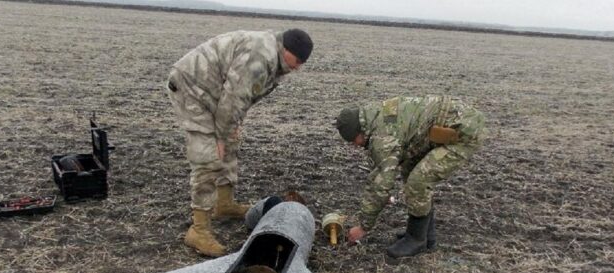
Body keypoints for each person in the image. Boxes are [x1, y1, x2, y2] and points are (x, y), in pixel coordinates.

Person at [166, 29, 313, 257]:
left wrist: (231, 129)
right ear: (286, 49)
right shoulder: (260, 57)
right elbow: (234, 98)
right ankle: (198, 230)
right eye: (298, 60)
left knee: (230, 143)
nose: (298, 67)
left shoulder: (274, 60)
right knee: (209, 155)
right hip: (193, 89)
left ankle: (224, 204)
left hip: (215, 92)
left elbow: (241, 99)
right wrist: (221, 136)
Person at [335, 96, 486, 258]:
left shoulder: (382, 136)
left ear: (360, 132)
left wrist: (363, 227)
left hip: (463, 132)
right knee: (410, 170)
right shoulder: (373, 117)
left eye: (353, 141)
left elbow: (382, 182)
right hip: (441, 128)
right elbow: (379, 167)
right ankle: (427, 236)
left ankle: (416, 239)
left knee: (418, 182)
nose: (355, 145)